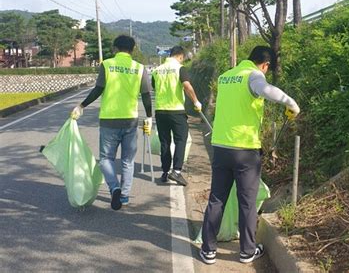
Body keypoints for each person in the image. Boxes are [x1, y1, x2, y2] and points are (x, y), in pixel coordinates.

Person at [200, 46, 300, 265]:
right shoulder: (253, 75)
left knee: (217, 198)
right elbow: (266, 90)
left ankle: (208, 249)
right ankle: (247, 251)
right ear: (265, 65)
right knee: (247, 202)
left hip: (221, 147)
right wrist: (291, 103)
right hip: (245, 150)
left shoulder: (226, 76)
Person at [71, 35, 153, 211]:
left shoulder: (107, 65)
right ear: (132, 50)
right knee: (127, 161)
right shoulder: (139, 68)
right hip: (130, 120)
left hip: (109, 120)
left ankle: (114, 187)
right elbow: (146, 94)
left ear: (115, 48)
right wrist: (149, 117)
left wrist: (82, 105)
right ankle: (124, 196)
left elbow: (98, 89)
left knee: (106, 159)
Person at [151, 46, 201, 186]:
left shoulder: (157, 70)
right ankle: (177, 172)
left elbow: (155, 87)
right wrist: (196, 102)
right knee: (180, 140)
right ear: (181, 56)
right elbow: (187, 86)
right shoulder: (180, 68)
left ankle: (165, 172)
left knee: (165, 142)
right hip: (176, 111)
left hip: (160, 111)